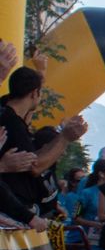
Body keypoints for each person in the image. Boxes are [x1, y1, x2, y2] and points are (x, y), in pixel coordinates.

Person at [0, 63, 89, 228]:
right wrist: (64, 138)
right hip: (13, 212)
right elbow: (35, 166)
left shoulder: (12, 117)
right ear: (35, 93)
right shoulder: (11, 122)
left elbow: (33, 156)